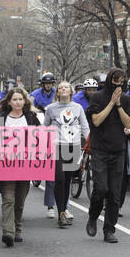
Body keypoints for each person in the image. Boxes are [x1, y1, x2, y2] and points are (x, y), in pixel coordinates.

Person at [85, 68, 130, 243]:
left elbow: (128, 122)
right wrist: (111, 103)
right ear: (109, 80)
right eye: (116, 81)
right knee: (101, 189)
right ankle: (93, 216)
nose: (118, 85)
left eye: (122, 81)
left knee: (114, 193)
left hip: (118, 150)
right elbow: (96, 121)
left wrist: (119, 104)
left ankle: (109, 229)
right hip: (100, 150)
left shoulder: (127, 99)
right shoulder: (97, 97)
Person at [0, 88, 41, 246]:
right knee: (8, 199)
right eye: (14, 99)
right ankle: (8, 232)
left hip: (25, 165)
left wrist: (49, 143)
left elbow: (41, 137)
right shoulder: (1, 119)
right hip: (5, 165)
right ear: (9, 102)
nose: (18, 102)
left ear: (25, 101)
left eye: (20, 99)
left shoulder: (31, 117)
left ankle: (18, 228)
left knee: (19, 200)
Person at [43, 82, 90, 227]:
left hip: (73, 147)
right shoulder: (51, 109)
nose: (63, 89)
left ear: (71, 91)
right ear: (57, 92)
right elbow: (44, 128)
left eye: (66, 87)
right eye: (60, 87)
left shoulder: (78, 108)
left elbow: (85, 127)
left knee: (68, 180)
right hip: (57, 147)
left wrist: (90, 143)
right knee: (59, 179)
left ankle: (64, 209)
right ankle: (61, 213)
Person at [30, 73, 57, 218]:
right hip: (39, 119)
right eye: (46, 84)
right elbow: (28, 105)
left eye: (50, 84)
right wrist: (36, 111)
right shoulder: (35, 94)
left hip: (53, 122)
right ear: (42, 84)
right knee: (36, 136)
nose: (48, 86)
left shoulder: (56, 93)